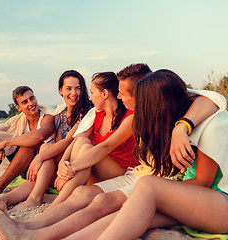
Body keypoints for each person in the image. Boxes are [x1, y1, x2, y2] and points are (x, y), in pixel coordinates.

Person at [0, 64, 222, 240]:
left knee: (126, 197)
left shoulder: (200, 125)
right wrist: (69, 165)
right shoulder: (160, 120)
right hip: (157, 183)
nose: (119, 96)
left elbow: (212, 99)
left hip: (195, 195)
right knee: (97, 200)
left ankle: (34, 233)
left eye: (124, 93)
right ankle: (31, 232)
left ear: (151, 102)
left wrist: (183, 127)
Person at [90, 69, 228, 240]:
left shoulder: (209, 126)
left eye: (145, 106)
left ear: (159, 106)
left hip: (221, 200)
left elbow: (203, 182)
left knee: (147, 186)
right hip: (199, 200)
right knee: (128, 215)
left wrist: (147, 195)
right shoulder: (185, 121)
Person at [0, 70, 91, 210]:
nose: (73, 93)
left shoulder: (84, 112)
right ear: (61, 90)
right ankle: (4, 199)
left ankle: (34, 199)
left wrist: (39, 158)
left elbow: (66, 141)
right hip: (59, 163)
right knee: (39, 171)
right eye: (68, 88)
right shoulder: (60, 114)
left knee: (44, 149)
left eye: (78, 88)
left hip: (77, 163)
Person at [45, 71, 139, 211]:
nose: (90, 98)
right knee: (83, 141)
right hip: (96, 173)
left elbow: (106, 147)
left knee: (87, 149)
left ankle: (55, 205)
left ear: (105, 94)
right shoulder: (97, 115)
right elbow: (76, 140)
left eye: (93, 92)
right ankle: (61, 201)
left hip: (121, 173)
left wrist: (72, 167)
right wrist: (62, 165)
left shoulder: (129, 117)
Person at [0, 86, 55, 196]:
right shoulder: (18, 120)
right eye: (25, 102)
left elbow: (39, 136)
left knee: (28, 145)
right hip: (25, 168)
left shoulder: (48, 117)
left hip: (43, 168)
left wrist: (5, 143)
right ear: (18, 107)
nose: (31, 103)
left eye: (32, 98)